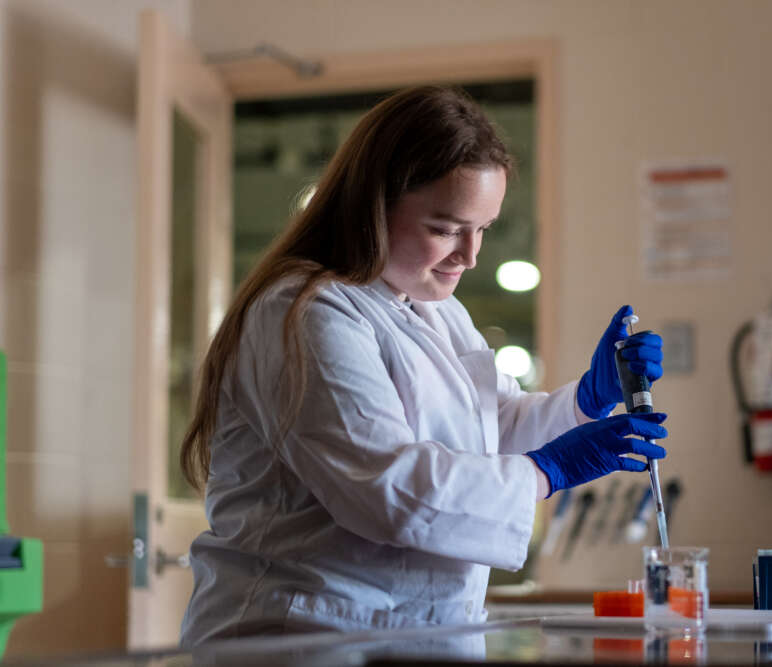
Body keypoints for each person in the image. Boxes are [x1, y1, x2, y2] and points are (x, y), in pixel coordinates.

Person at [178, 85, 666, 645]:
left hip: (415, 632)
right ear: (372, 205)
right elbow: (385, 486)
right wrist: (546, 471)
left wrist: (585, 400)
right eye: (446, 228)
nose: (470, 255)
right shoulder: (304, 311)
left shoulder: (433, 309)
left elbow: (491, 428)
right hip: (308, 637)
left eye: (482, 228)